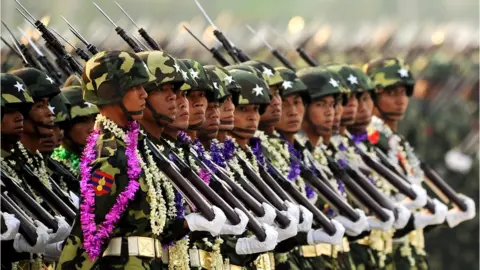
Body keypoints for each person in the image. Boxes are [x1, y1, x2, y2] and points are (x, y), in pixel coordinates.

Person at [57, 51, 220, 269]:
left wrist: (187, 224)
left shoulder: (132, 148)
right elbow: (88, 233)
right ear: (112, 93)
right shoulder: (110, 152)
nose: (144, 94)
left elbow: (146, 223)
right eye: (135, 87)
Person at [364, 57, 475, 270]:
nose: (401, 100)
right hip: (379, 250)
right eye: (391, 93)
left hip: (407, 247)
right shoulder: (367, 141)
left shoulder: (397, 141)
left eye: (405, 92)